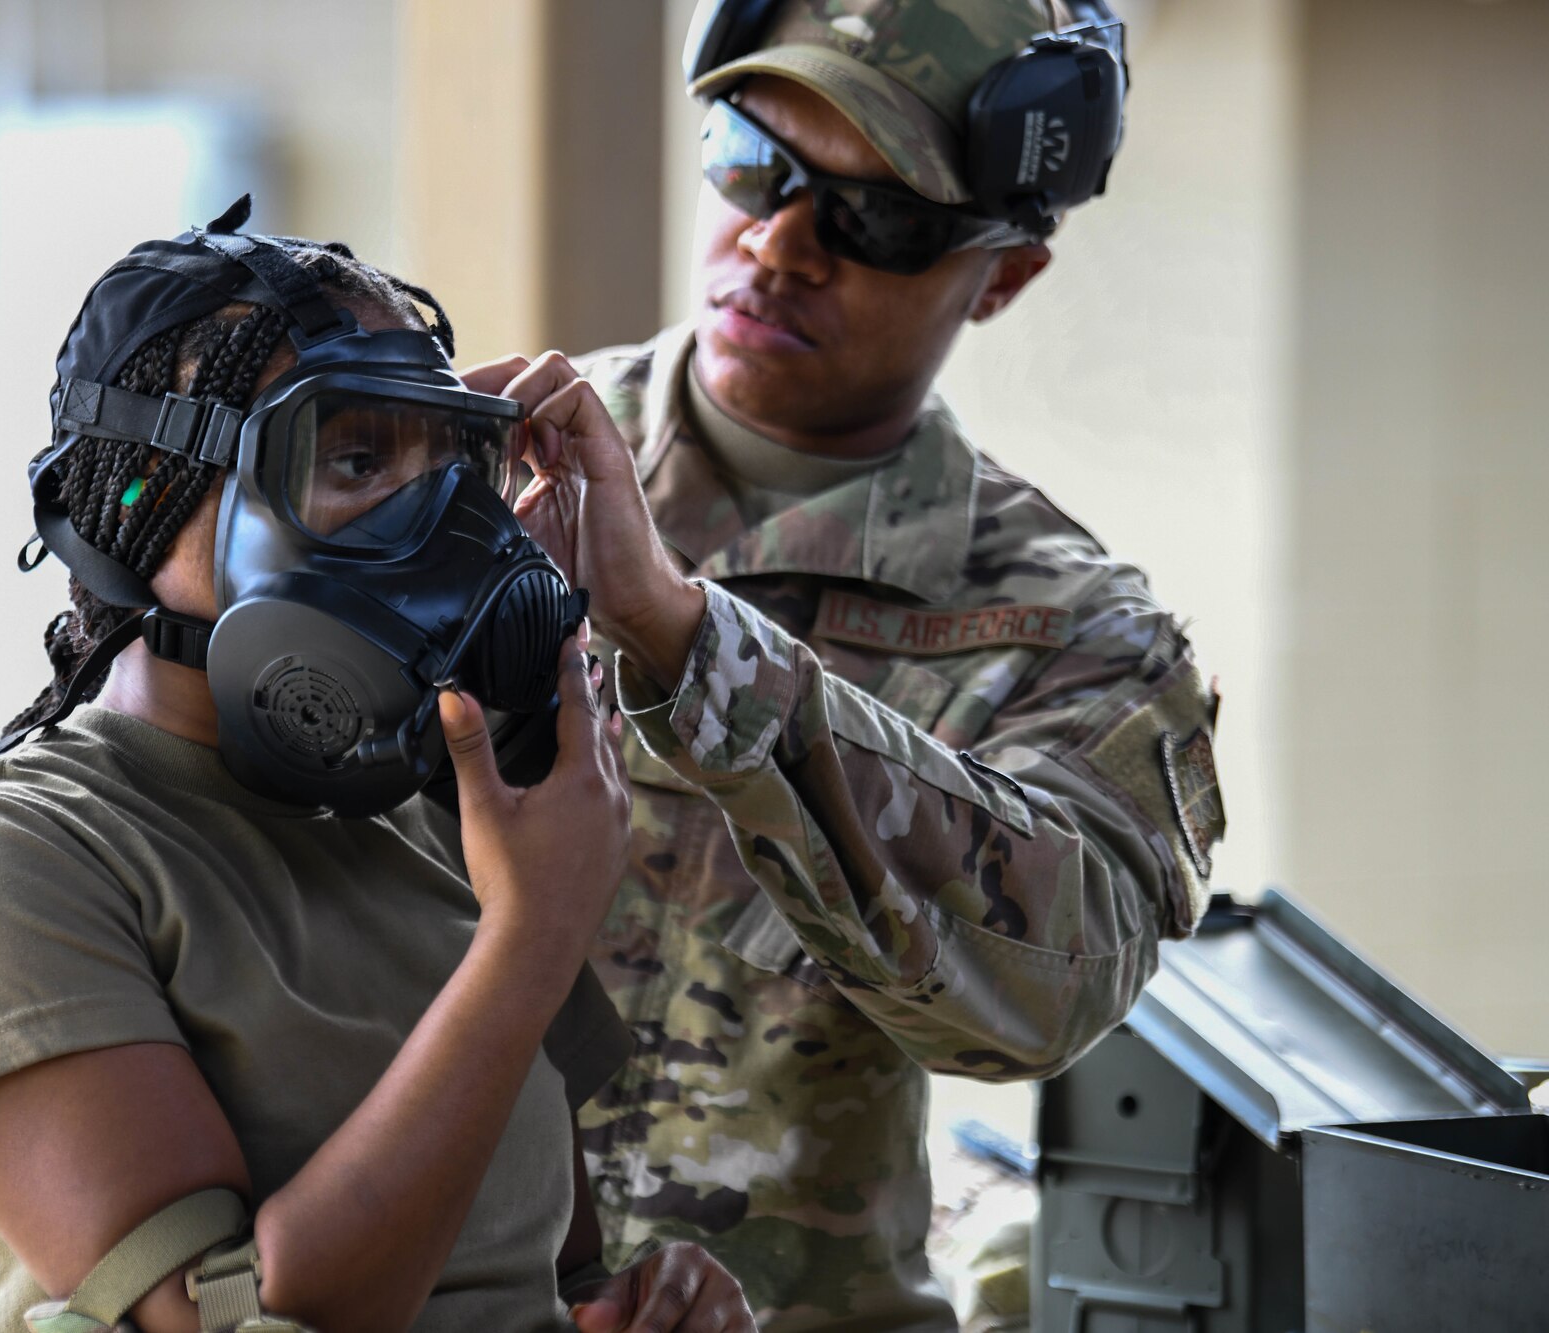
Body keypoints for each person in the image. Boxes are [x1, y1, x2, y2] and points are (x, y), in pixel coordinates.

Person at [0, 211, 755, 1333]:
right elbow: (224, 1320)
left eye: (452, 464)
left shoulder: (438, 825)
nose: (439, 524)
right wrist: (530, 937)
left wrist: (640, 1308)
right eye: (355, 458)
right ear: (142, 499)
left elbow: (540, 1278)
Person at [467, 1, 1228, 1327]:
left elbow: (1046, 986)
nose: (776, 244)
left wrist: (689, 642)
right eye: (752, 163)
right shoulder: (469, 477)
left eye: (876, 220)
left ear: (1002, 276)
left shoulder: (1069, 630)